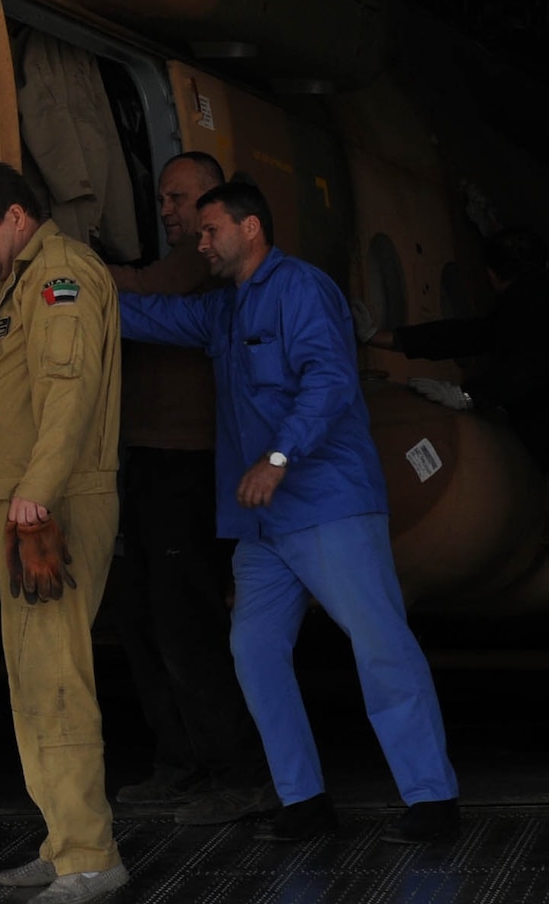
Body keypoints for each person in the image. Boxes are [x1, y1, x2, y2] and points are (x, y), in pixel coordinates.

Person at [118, 181, 460, 844]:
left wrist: (278, 456)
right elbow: (150, 315)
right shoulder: (224, 310)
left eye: (210, 229)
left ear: (251, 229)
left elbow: (329, 380)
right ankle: (303, 799)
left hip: (326, 503)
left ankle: (432, 797)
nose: (200, 241)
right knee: (253, 649)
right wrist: (63, 290)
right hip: (264, 524)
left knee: (381, 646)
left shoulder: (303, 290)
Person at [0, 160, 128, 904]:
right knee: (32, 678)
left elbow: (68, 393)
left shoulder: (59, 280)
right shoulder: (23, 282)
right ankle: (62, 842)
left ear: (18, 216)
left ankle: (90, 854)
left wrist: (34, 495)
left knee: (56, 676)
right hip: (23, 501)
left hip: (50, 504)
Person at [108, 152, 275, 824]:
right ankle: (182, 761)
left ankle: (233, 769)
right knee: (145, 615)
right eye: (167, 201)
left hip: (190, 463)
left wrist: (58, 273)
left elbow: (142, 293)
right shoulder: (187, 280)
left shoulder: (195, 268)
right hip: (150, 459)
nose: (173, 214)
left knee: (186, 621)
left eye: (183, 199)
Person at [356, 227, 549, 470]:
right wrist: (384, 337)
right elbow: (466, 336)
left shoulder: (530, 307)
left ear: (493, 274)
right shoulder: (525, 308)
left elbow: (530, 366)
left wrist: (469, 396)